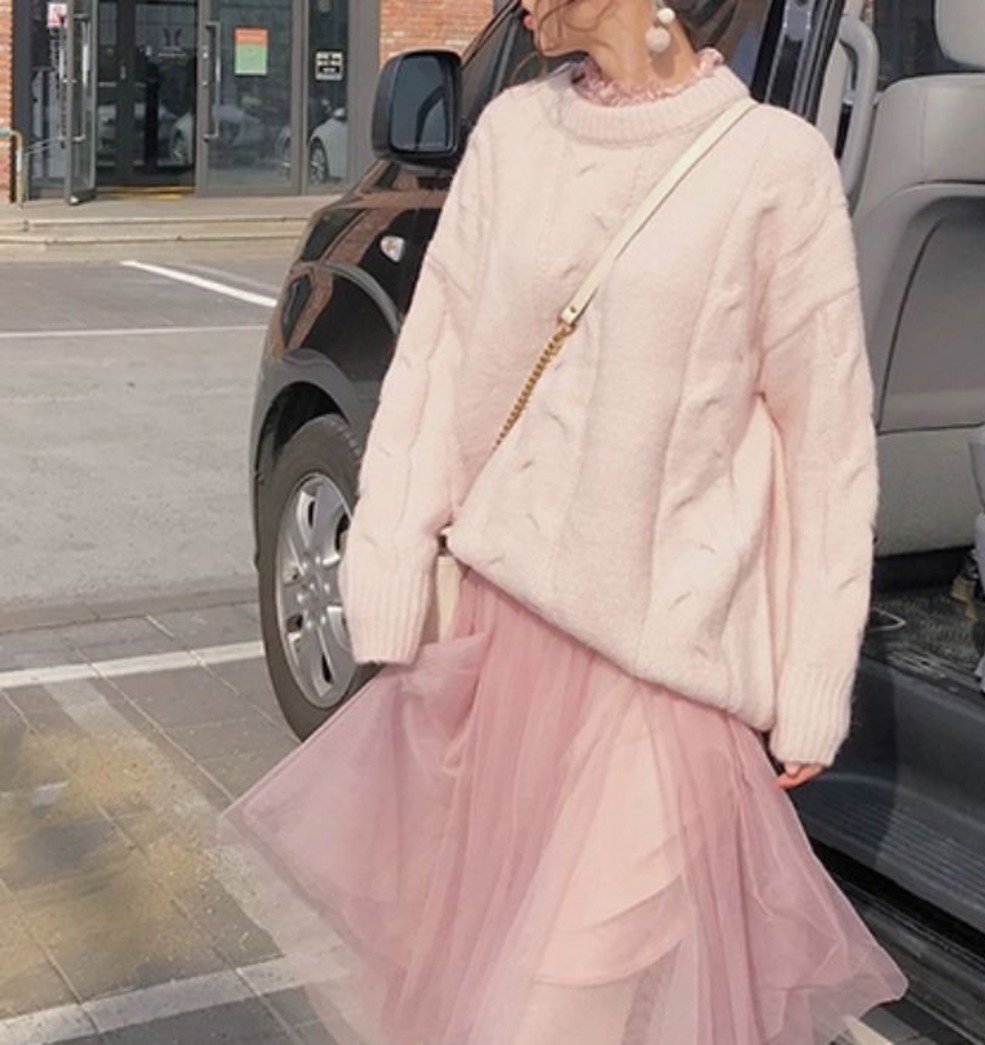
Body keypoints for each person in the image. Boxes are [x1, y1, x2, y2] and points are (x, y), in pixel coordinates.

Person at [220, 0, 907, 1039]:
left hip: (661, 677)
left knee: (554, 1000)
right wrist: (391, 576)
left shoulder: (773, 165)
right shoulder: (511, 134)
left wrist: (811, 676)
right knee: (484, 968)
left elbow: (825, 443)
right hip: (500, 649)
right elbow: (434, 368)